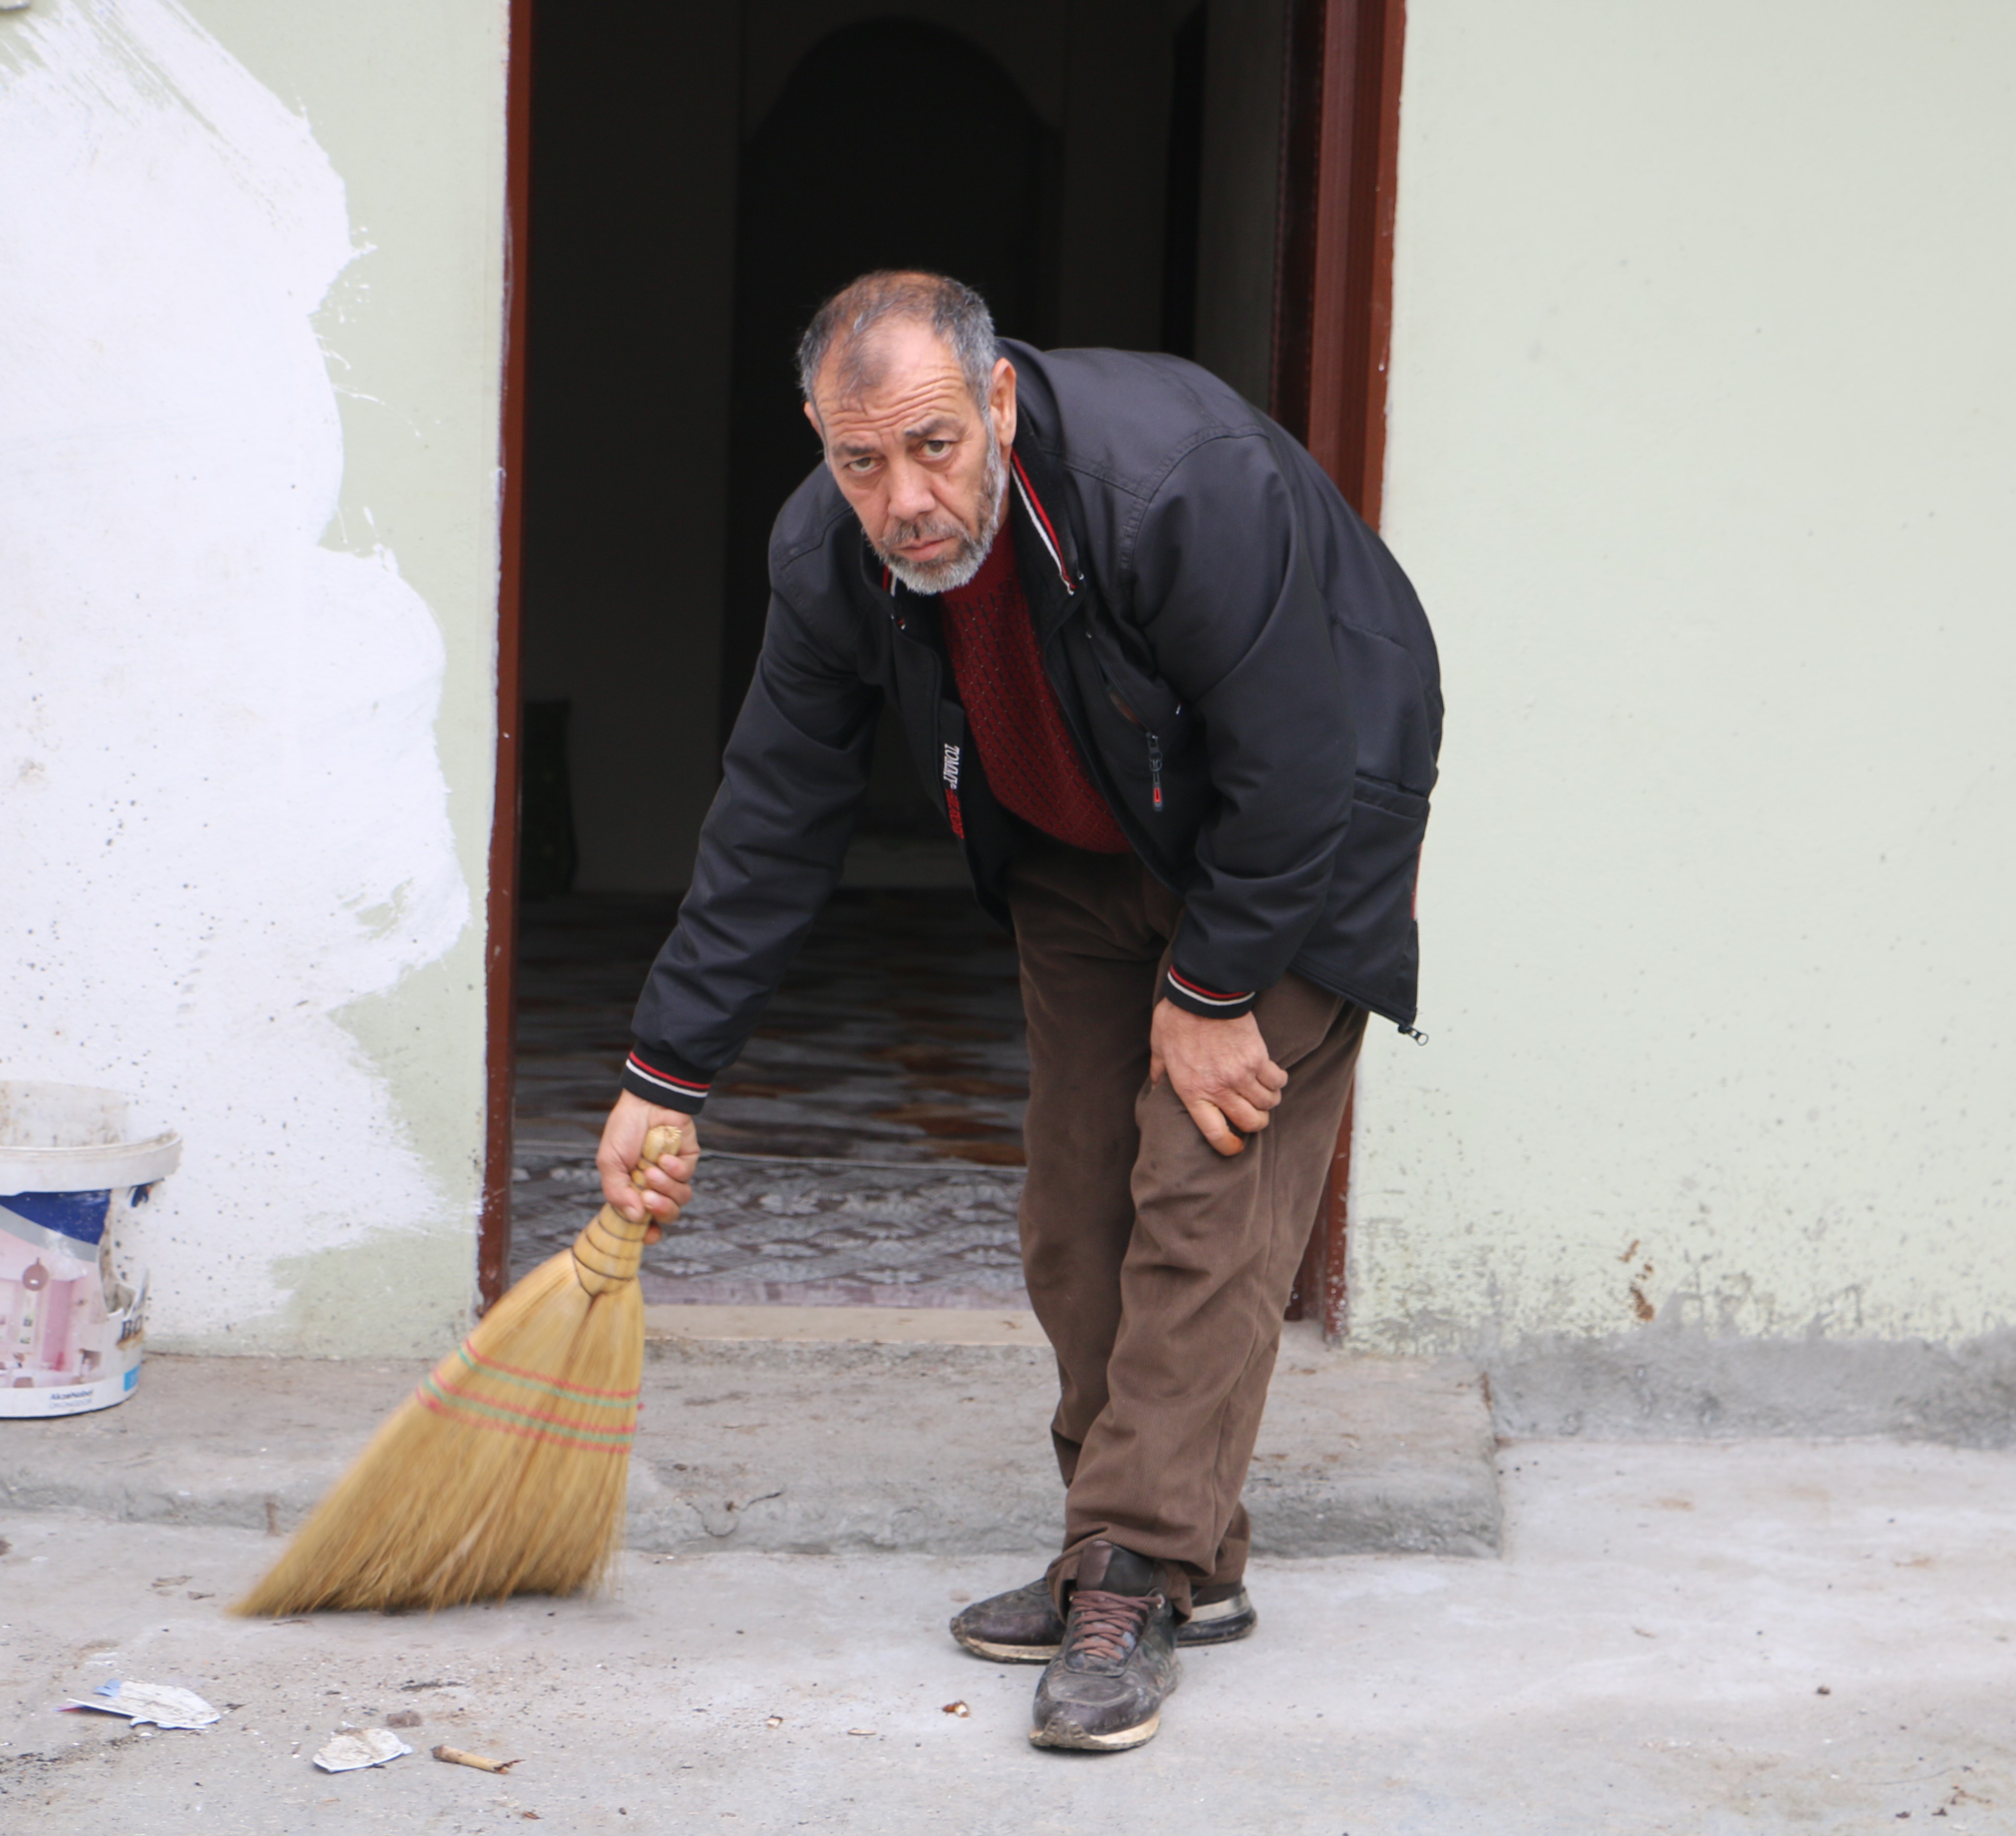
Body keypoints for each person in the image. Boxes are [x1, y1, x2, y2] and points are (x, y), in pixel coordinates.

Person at [595, 270, 1441, 1753]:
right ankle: (1160, 1550)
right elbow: (777, 811)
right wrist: (666, 1072)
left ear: (995, 402)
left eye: (933, 445)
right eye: (860, 461)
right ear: (818, 441)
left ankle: (1130, 1566)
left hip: (1297, 836)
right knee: (1072, 1213)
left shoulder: (1174, 481)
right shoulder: (830, 551)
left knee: (1202, 1193)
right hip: (1074, 846)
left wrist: (1216, 985)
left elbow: (1302, 760)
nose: (904, 498)